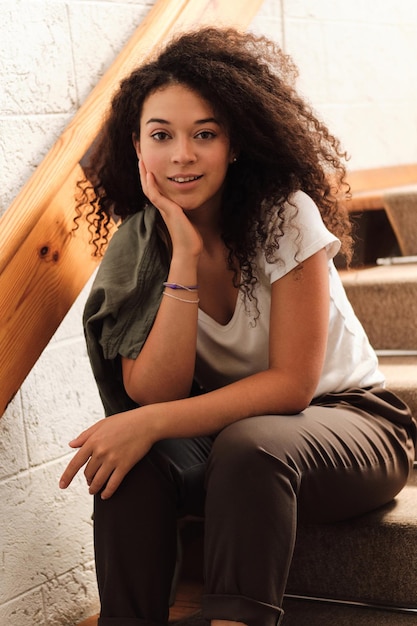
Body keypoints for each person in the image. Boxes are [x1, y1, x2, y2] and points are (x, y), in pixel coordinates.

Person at [59, 26, 416, 626]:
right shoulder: (140, 246)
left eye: (205, 134)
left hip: (357, 426)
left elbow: (290, 387)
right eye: (162, 136)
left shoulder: (285, 216)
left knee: (247, 444)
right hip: (236, 447)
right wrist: (182, 257)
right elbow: (155, 390)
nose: (182, 154)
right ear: (138, 148)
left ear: (234, 145)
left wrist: (146, 422)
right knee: (136, 465)